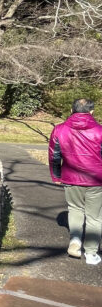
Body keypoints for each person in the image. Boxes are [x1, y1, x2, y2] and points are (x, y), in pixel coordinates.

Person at [48, 98, 102, 265]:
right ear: (91, 112)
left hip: (71, 178)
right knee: (94, 217)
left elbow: (54, 156)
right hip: (96, 180)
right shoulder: (100, 130)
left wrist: (56, 176)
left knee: (75, 209)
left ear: (72, 110)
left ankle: (75, 241)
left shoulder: (59, 130)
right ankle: (91, 254)